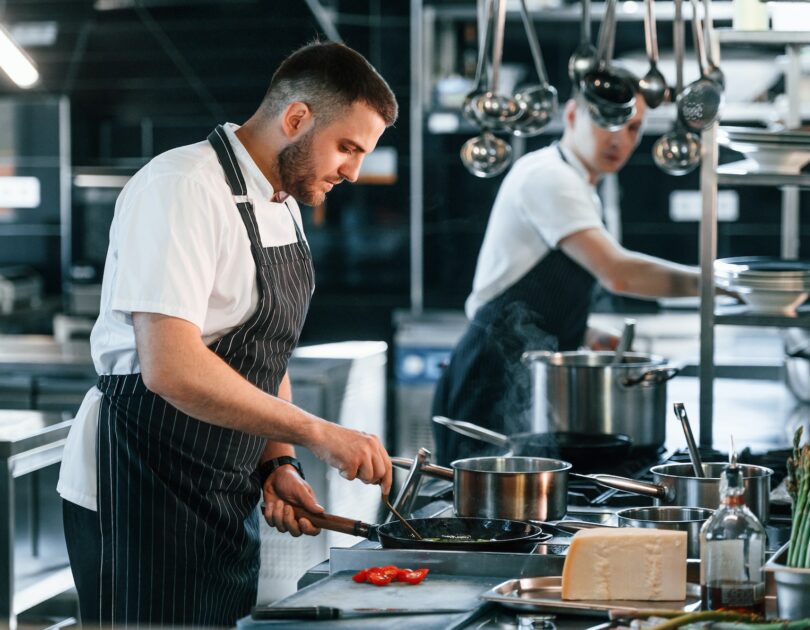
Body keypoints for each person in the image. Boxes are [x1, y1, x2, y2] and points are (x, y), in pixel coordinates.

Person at [56, 41, 398, 626]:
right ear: (296, 118)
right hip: (140, 486)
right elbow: (171, 367)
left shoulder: (283, 203)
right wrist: (319, 433)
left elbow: (265, 352)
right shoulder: (183, 186)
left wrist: (279, 464)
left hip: (221, 490)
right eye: (347, 147)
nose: (354, 171)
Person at [432, 82, 704, 466]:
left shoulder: (578, 185)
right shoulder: (549, 177)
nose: (620, 139)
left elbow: (534, 295)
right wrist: (714, 283)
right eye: (607, 122)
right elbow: (618, 273)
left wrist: (583, 332)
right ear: (573, 115)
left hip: (523, 382)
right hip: (490, 379)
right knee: (482, 516)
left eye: (633, 128)